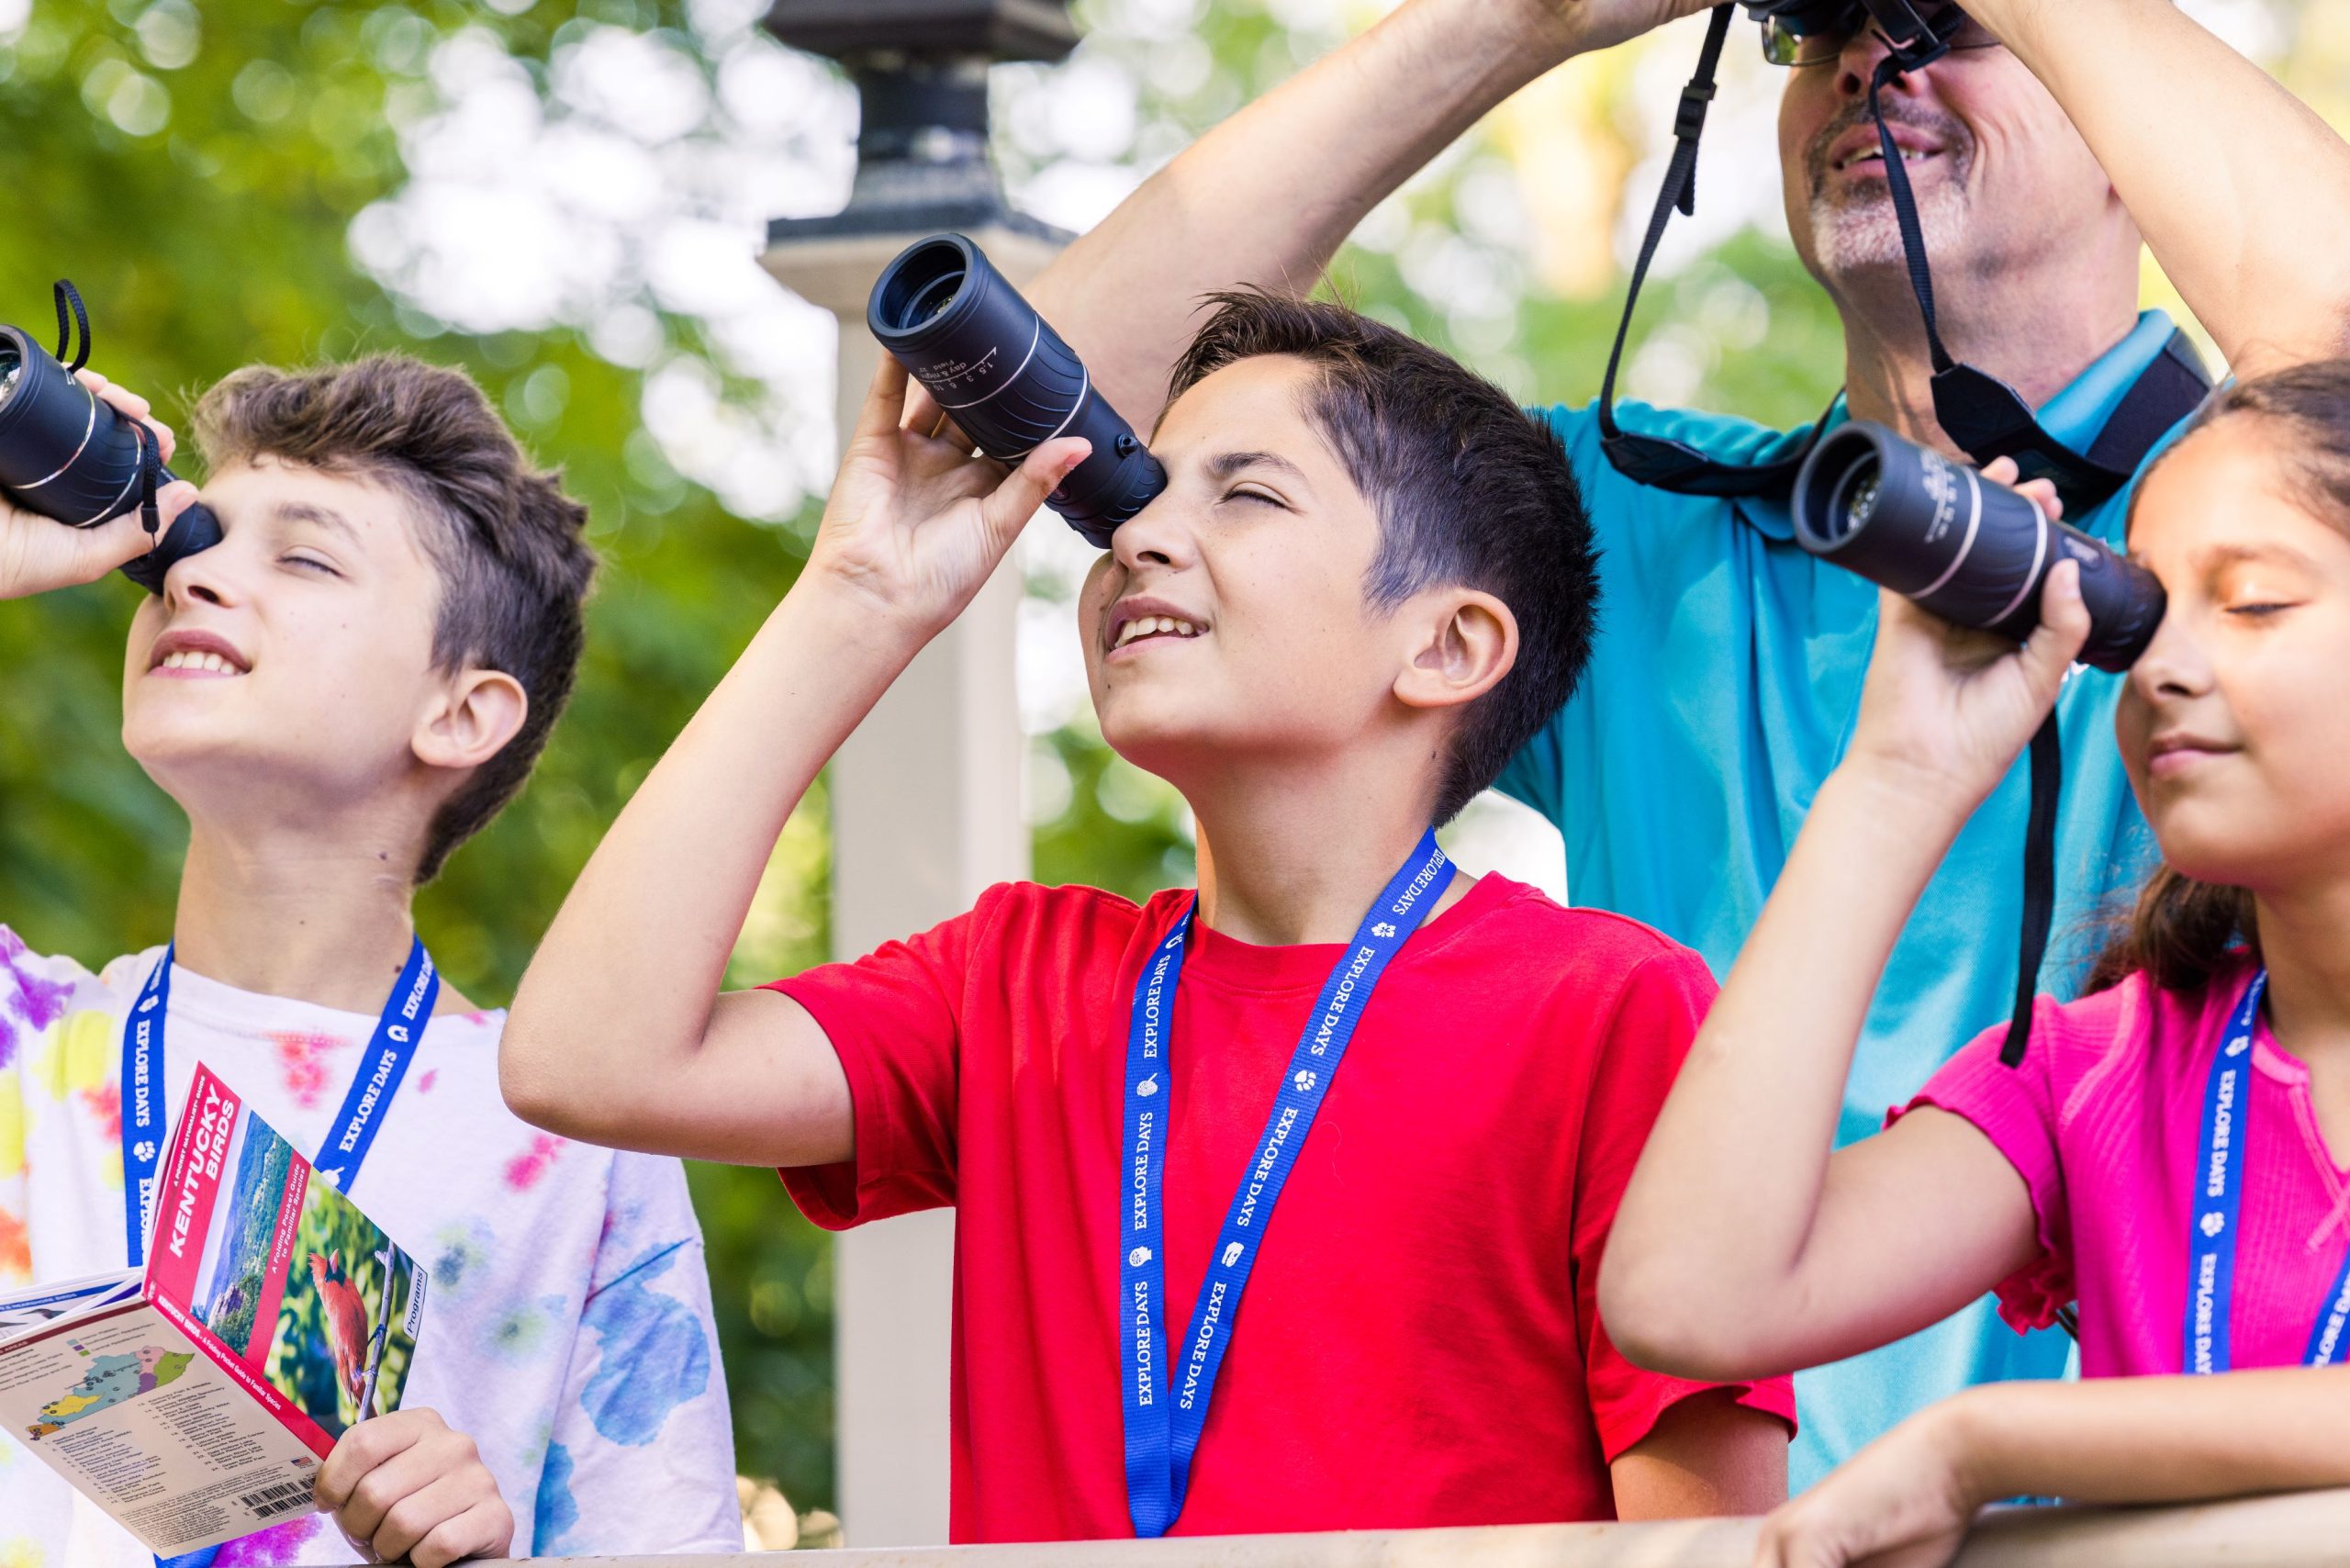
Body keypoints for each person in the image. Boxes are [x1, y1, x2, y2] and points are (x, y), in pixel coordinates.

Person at [1012, 0, 2350, 1483]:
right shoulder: (1642, 526)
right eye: (1818, 29)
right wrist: (1522, 21)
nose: (1868, 59)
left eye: (1945, 23)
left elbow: (2337, 365)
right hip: (1693, 1515)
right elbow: (1048, 420)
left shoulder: (2254, 540)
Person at [501, 294, 1795, 1543]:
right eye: (1141, 491)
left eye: (1248, 495)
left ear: (1447, 646)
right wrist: (855, 600)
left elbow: (1708, 1554)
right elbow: (587, 1061)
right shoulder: (1015, 982)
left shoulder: (1613, 1009)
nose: (1139, 536)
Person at [1601, 364, 2350, 1565]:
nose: (2162, 668)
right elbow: (1689, 1298)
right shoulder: (2102, 1076)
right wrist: (1896, 779)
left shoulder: (1992, 1432)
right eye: (2145, 613)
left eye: (2254, 603)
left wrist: (1987, 1445)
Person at [0, 359, 742, 1566]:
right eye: (191, 541)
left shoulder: (572, 1131)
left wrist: (476, 1553)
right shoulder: (19, 1041)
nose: (190, 576)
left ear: (462, 713)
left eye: (304, 559)